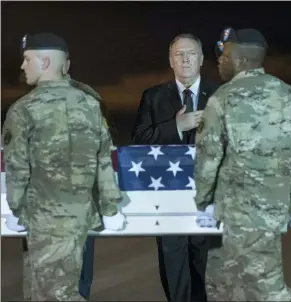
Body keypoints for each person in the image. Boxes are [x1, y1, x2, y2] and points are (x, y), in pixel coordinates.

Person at [2, 32, 127, 301]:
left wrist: (16, 208)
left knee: (54, 293)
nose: (22, 66)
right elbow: (104, 161)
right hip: (80, 214)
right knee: (46, 289)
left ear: (45, 63)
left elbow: (17, 167)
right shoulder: (91, 105)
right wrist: (110, 209)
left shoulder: (23, 110)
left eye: (27, 59)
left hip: (45, 217)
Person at [193, 27, 291, 301]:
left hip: (236, 215)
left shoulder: (222, 99)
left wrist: (203, 202)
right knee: (226, 285)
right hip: (272, 210)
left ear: (240, 59)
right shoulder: (286, 95)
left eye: (224, 55)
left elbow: (208, 158)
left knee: (263, 288)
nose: (220, 61)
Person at [131, 33, 219, 302]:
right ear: (170, 61)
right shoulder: (154, 97)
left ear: (202, 59)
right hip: (169, 200)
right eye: (179, 54)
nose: (185, 59)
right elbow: (138, 143)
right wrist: (176, 128)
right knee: (174, 271)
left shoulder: (221, 96)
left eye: (191, 53)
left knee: (207, 270)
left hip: (211, 199)